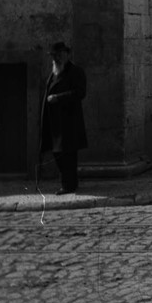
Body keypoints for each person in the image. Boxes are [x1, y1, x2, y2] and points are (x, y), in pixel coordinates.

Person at [39, 41, 88, 194]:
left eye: (60, 55)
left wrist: (58, 98)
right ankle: (69, 184)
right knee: (58, 153)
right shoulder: (54, 73)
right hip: (55, 122)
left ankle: (69, 186)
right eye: (54, 56)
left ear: (67, 55)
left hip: (69, 121)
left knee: (68, 155)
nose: (57, 58)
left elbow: (80, 93)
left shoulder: (76, 71)